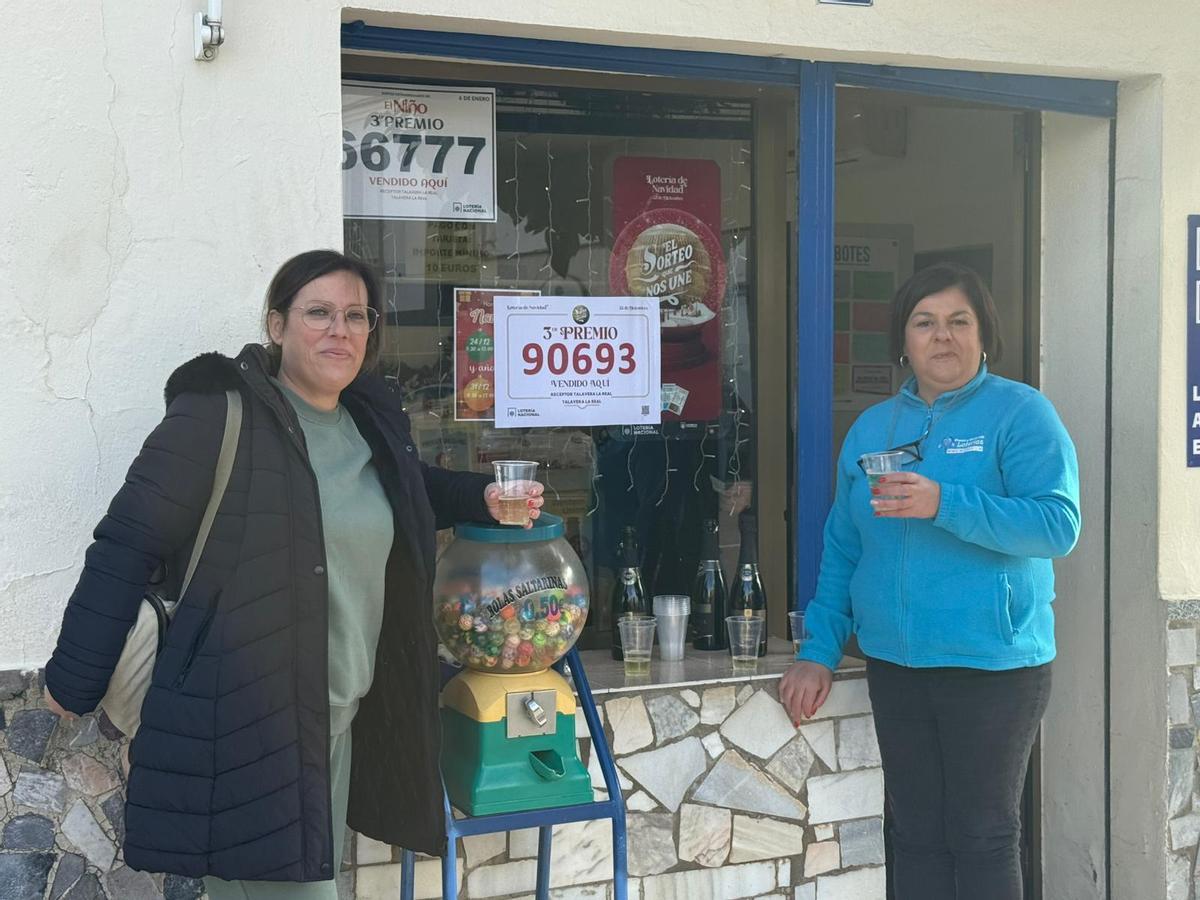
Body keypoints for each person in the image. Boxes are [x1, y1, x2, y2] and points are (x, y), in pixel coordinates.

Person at [43, 249, 544, 897]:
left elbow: (404, 489)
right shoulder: (218, 417)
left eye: (356, 316)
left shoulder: (364, 423)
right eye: (319, 313)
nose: (341, 330)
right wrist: (73, 680)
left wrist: (482, 497)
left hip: (336, 718)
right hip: (250, 723)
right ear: (276, 326)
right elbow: (126, 543)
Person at [779, 262, 1080, 900]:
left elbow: (1057, 526)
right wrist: (818, 651)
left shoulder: (1021, 413)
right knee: (914, 836)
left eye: (958, 321)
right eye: (925, 323)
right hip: (898, 664)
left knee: (983, 836)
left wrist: (945, 502)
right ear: (904, 341)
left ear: (983, 333)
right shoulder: (872, 428)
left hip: (993, 666)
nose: (942, 336)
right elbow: (843, 547)